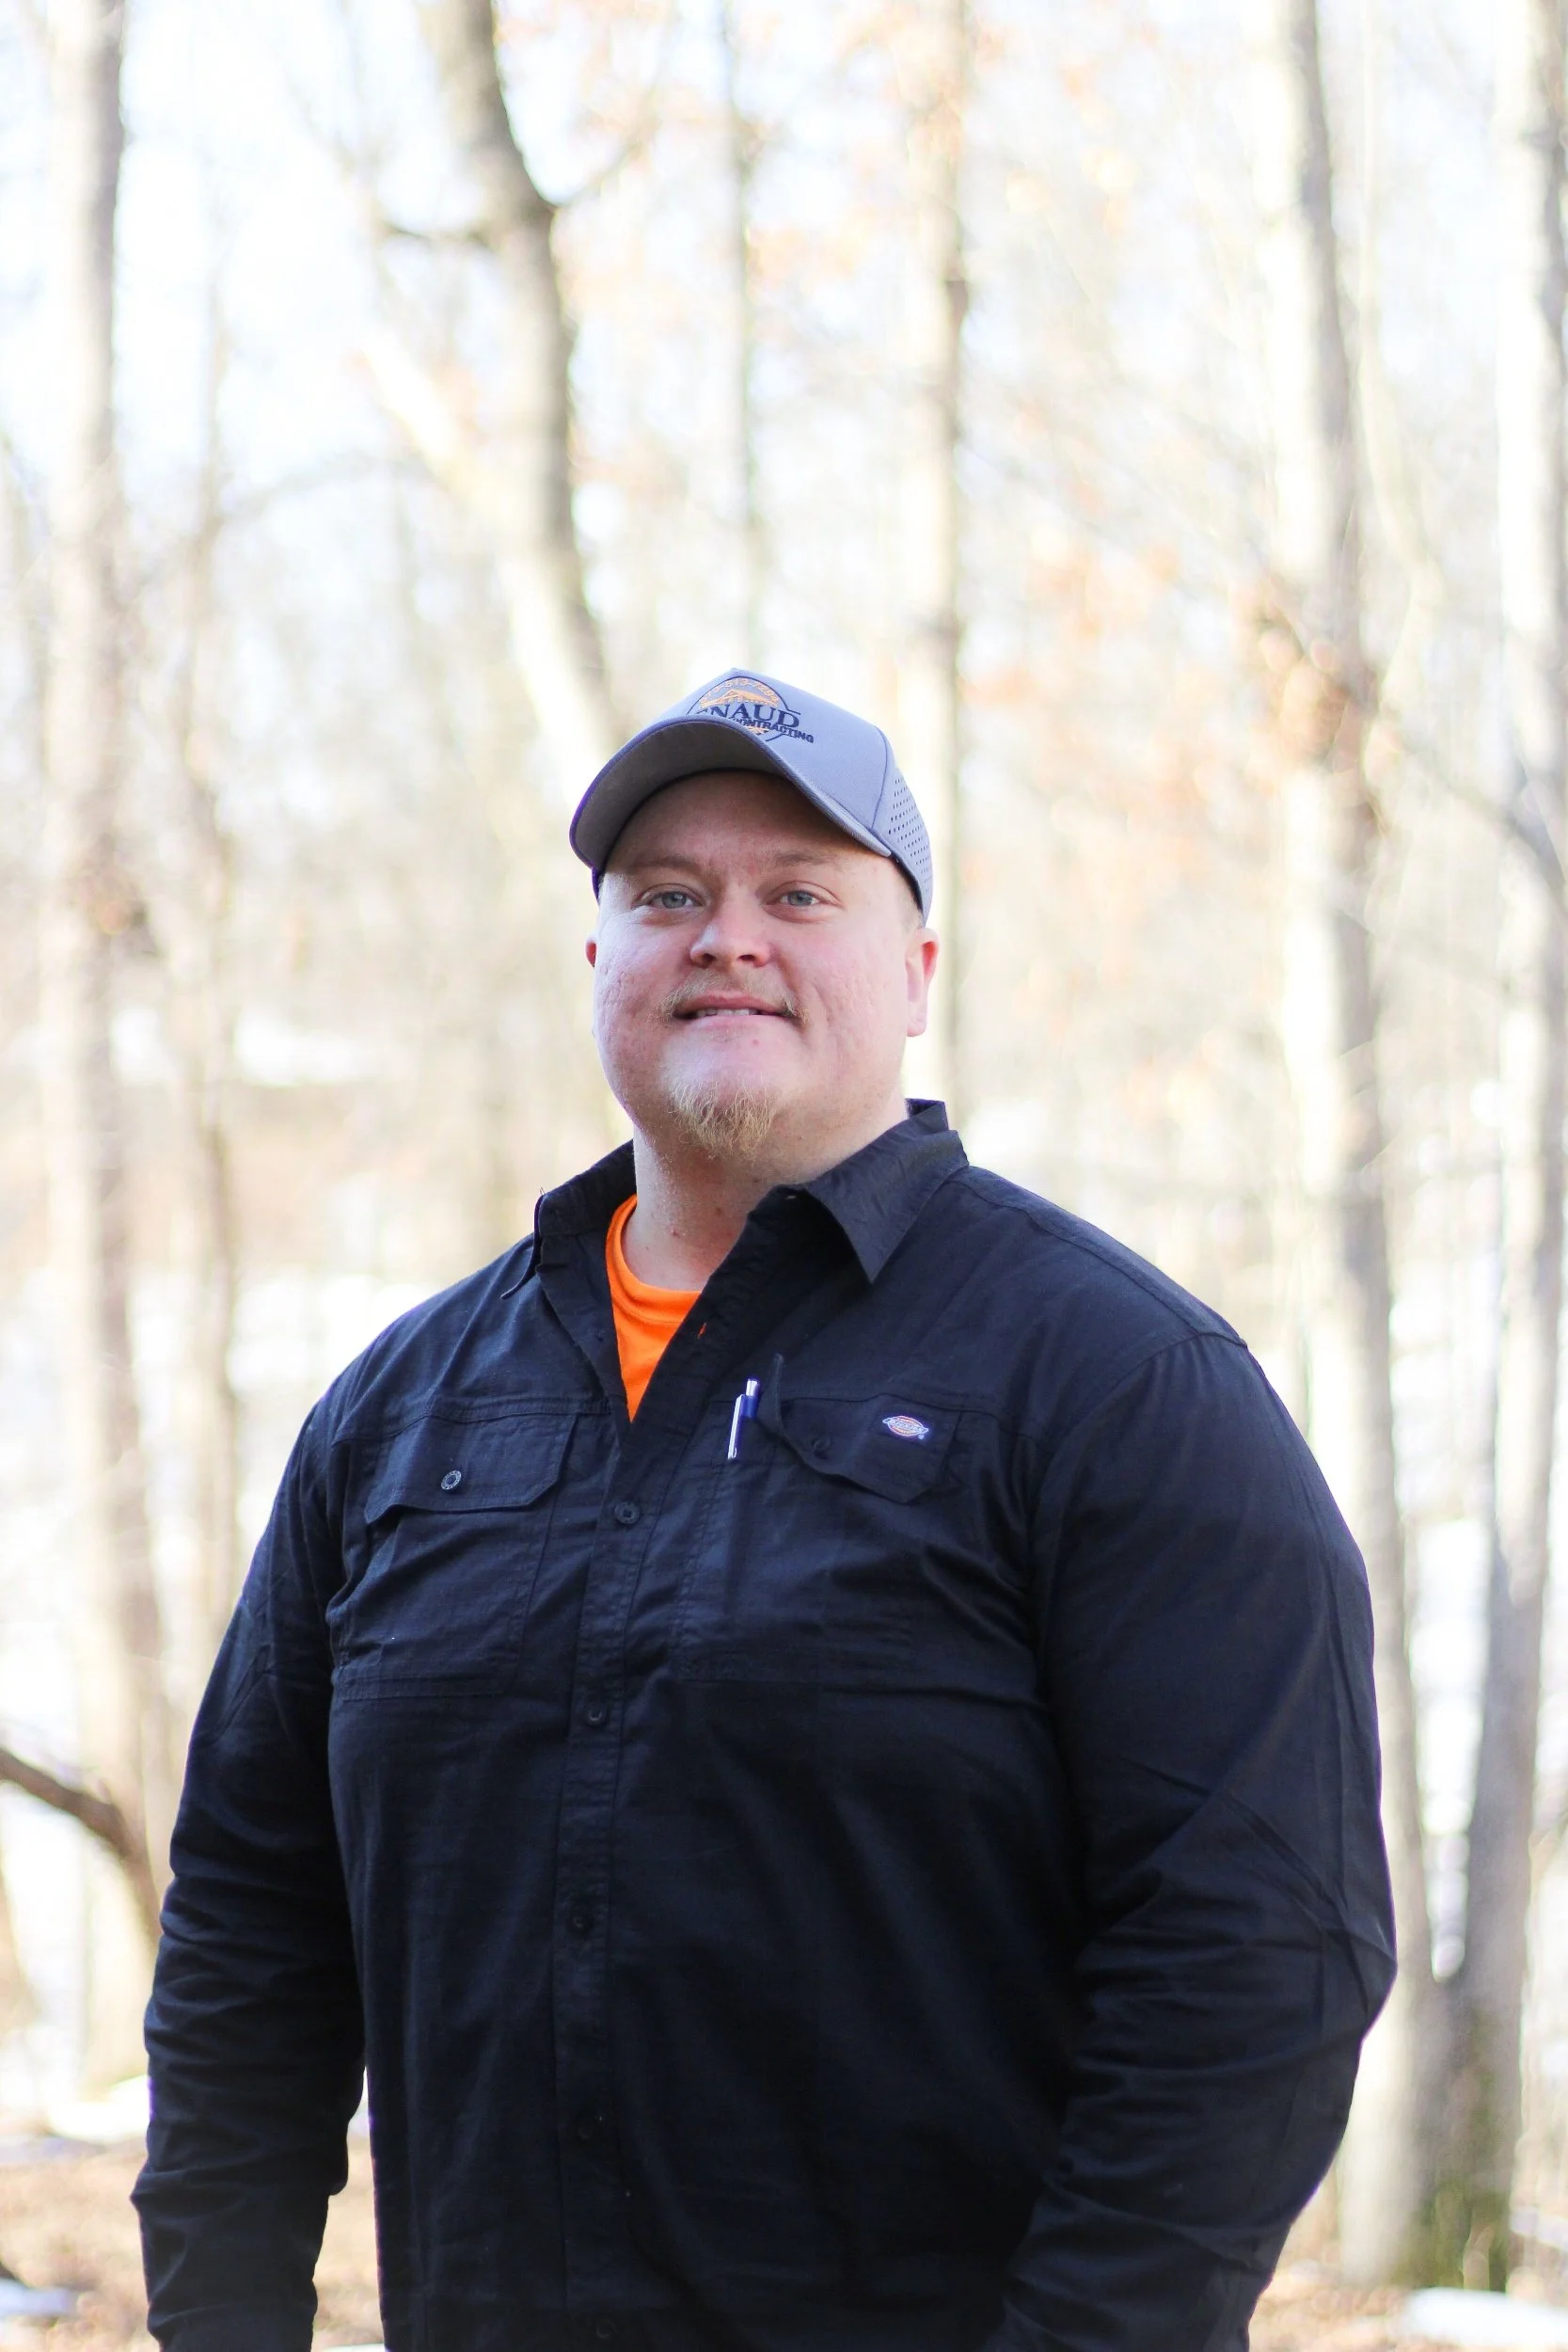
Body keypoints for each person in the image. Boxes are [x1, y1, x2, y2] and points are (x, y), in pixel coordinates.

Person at [135, 669, 1395, 2352]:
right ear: (600, 959)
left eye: (798, 893)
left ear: (916, 971)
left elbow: (1257, 1959)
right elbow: (250, 1925)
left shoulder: (1119, 1386)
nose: (726, 938)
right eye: (668, 896)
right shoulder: (400, 1413)